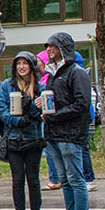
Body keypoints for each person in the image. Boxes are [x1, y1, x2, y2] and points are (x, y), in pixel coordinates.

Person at [37, 32, 92, 210]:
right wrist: (44, 106)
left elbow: (81, 104)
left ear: (63, 48)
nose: (49, 49)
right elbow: (56, 100)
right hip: (54, 134)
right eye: (48, 46)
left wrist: (56, 116)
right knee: (65, 180)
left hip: (70, 134)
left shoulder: (76, 73)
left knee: (75, 178)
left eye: (53, 46)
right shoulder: (52, 74)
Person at [0, 52, 45, 210]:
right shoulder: (6, 87)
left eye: (25, 63)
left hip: (33, 138)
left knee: (33, 179)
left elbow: (42, 113)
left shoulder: (40, 87)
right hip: (14, 138)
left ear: (31, 66)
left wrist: (30, 105)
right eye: (18, 64)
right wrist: (17, 121)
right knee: (17, 180)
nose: (21, 67)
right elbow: (1, 111)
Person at [37, 50, 61, 191]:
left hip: (48, 118)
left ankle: (55, 178)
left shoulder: (47, 79)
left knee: (50, 150)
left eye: (39, 60)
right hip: (45, 117)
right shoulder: (44, 78)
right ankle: (56, 177)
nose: (37, 63)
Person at [74, 51, 97, 192]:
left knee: (82, 148)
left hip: (84, 115)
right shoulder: (80, 72)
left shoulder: (78, 73)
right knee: (81, 148)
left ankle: (89, 178)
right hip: (86, 114)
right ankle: (86, 177)